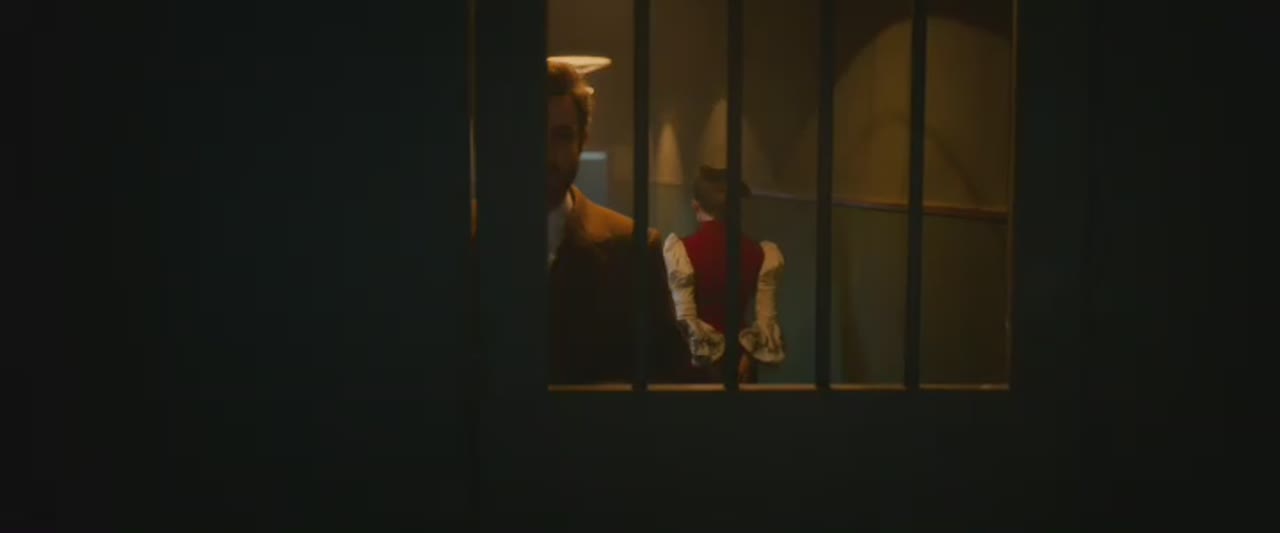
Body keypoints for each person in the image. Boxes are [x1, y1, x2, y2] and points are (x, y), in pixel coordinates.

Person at [472, 61, 700, 384]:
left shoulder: (631, 248)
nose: (546, 153)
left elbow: (665, 379)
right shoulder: (456, 236)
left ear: (583, 141)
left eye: (562, 136)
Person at [661, 165, 786, 383]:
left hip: (697, 361)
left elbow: (684, 317)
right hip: (741, 362)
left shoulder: (682, 250)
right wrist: (748, 357)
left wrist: (709, 361)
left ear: (696, 206)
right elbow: (766, 320)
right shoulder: (762, 253)